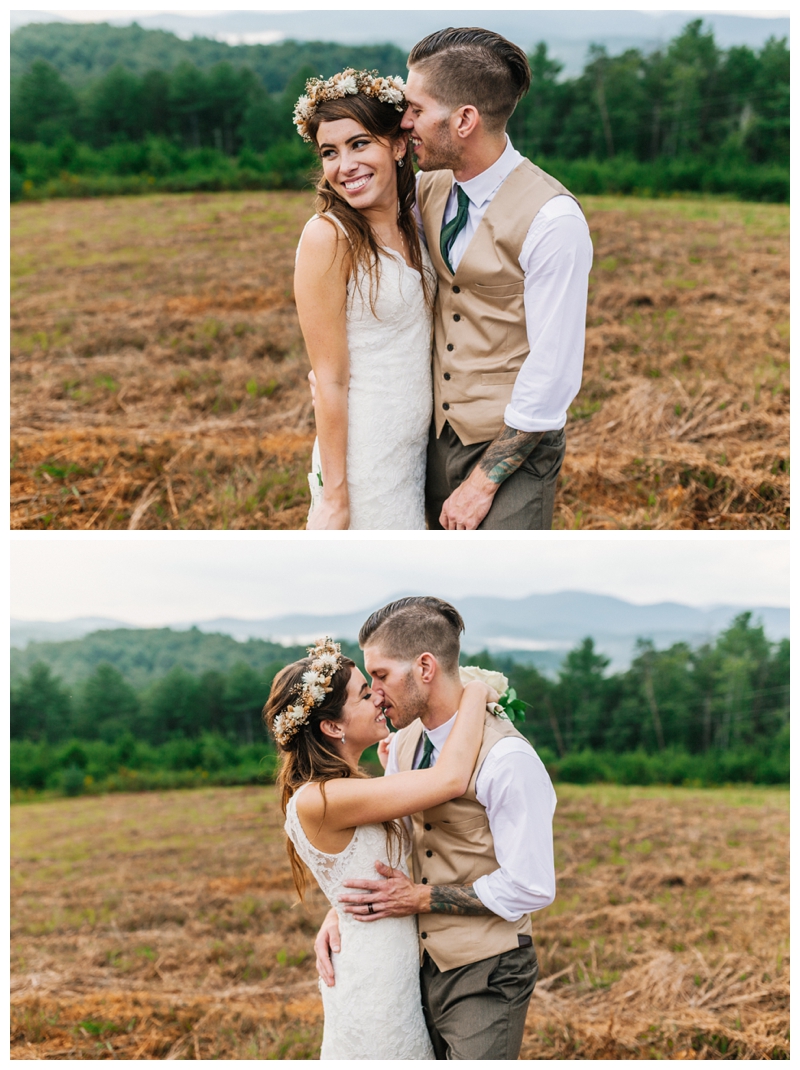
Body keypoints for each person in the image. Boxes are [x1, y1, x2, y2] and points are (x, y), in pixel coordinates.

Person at [314, 597, 558, 1060]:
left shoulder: (508, 760)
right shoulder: (403, 742)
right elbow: (395, 843)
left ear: (425, 666)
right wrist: (340, 910)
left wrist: (421, 899)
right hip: (411, 967)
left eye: (381, 676)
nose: (376, 693)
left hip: (486, 969)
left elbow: (531, 886)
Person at [263, 635, 498, 1059]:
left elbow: (360, 866)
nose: (379, 699)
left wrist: (337, 910)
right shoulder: (321, 798)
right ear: (333, 726)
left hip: (397, 963)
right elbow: (450, 779)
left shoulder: (351, 789)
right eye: (364, 694)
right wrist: (475, 691)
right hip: (373, 977)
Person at [403, 27, 594, 529]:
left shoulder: (554, 221)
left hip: (512, 447)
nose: (405, 123)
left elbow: (553, 372)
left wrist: (483, 482)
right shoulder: (427, 187)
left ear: (464, 120)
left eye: (417, 110)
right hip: (433, 435)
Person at [293, 69, 436, 529]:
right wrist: (335, 495)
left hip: (413, 452)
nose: (343, 166)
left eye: (359, 144)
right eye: (329, 152)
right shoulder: (327, 237)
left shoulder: (417, 223)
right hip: (363, 459)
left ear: (396, 145)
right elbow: (329, 379)